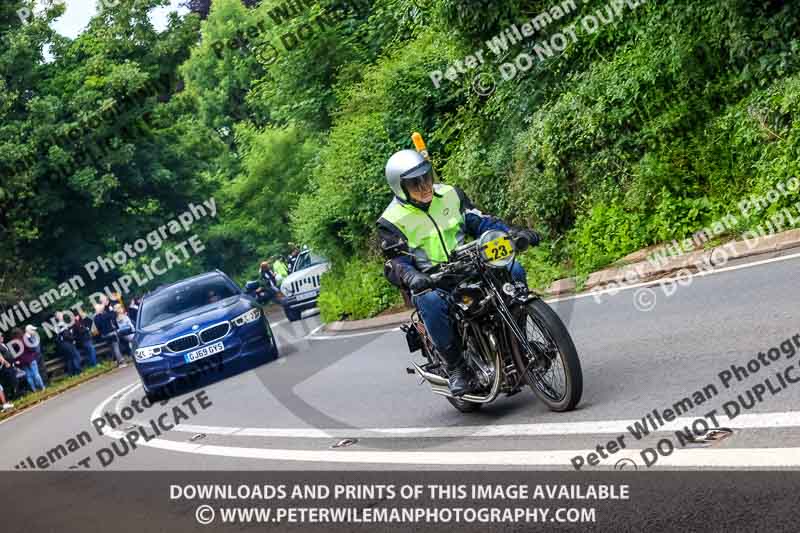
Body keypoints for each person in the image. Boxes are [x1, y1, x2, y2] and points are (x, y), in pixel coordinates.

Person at [376, 149, 539, 396]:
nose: (424, 186)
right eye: (414, 183)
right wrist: (413, 277)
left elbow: (481, 222)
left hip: (471, 265)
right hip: (434, 281)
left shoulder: (450, 194)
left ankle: (518, 343)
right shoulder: (391, 220)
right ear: (400, 188)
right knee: (429, 301)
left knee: (513, 268)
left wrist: (513, 233)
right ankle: (457, 368)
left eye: (426, 177)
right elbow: (394, 262)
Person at [11, 328, 45, 392]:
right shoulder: (24, 339)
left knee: (29, 376)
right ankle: (42, 387)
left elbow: (14, 355)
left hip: (22, 361)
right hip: (30, 358)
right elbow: (31, 348)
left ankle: (34, 390)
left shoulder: (13, 343)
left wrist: (18, 361)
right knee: (36, 373)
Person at [93, 303, 126, 367]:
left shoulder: (96, 318)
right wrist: (110, 309)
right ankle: (121, 362)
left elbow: (98, 328)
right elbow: (114, 315)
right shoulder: (106, 315)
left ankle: (115, 360)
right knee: (116, 347)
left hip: (104, 335)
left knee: (112, 347)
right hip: (111, 333)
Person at [54, 312, 82, 376]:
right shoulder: (61, 324)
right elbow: (66, 335)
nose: (62, 315)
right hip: (67, 343)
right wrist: (73, 339)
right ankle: (78, 371)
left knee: (69, 359)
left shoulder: (57, 325)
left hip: (63, 344)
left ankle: (71, 373)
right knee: (75, 356)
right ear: (58, 317)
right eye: (60, 315)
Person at [0, 332, 19, 401]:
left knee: (15, 381)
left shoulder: (3, 344)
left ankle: (16, 395)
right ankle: (13, 397)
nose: (2, 337)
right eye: (0, 336)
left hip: (11, 365)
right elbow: (1, 357)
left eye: (2, 336)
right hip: (5, 367)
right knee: (10, 382)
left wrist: (14, 361)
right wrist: (5, 363)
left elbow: (8, 354)